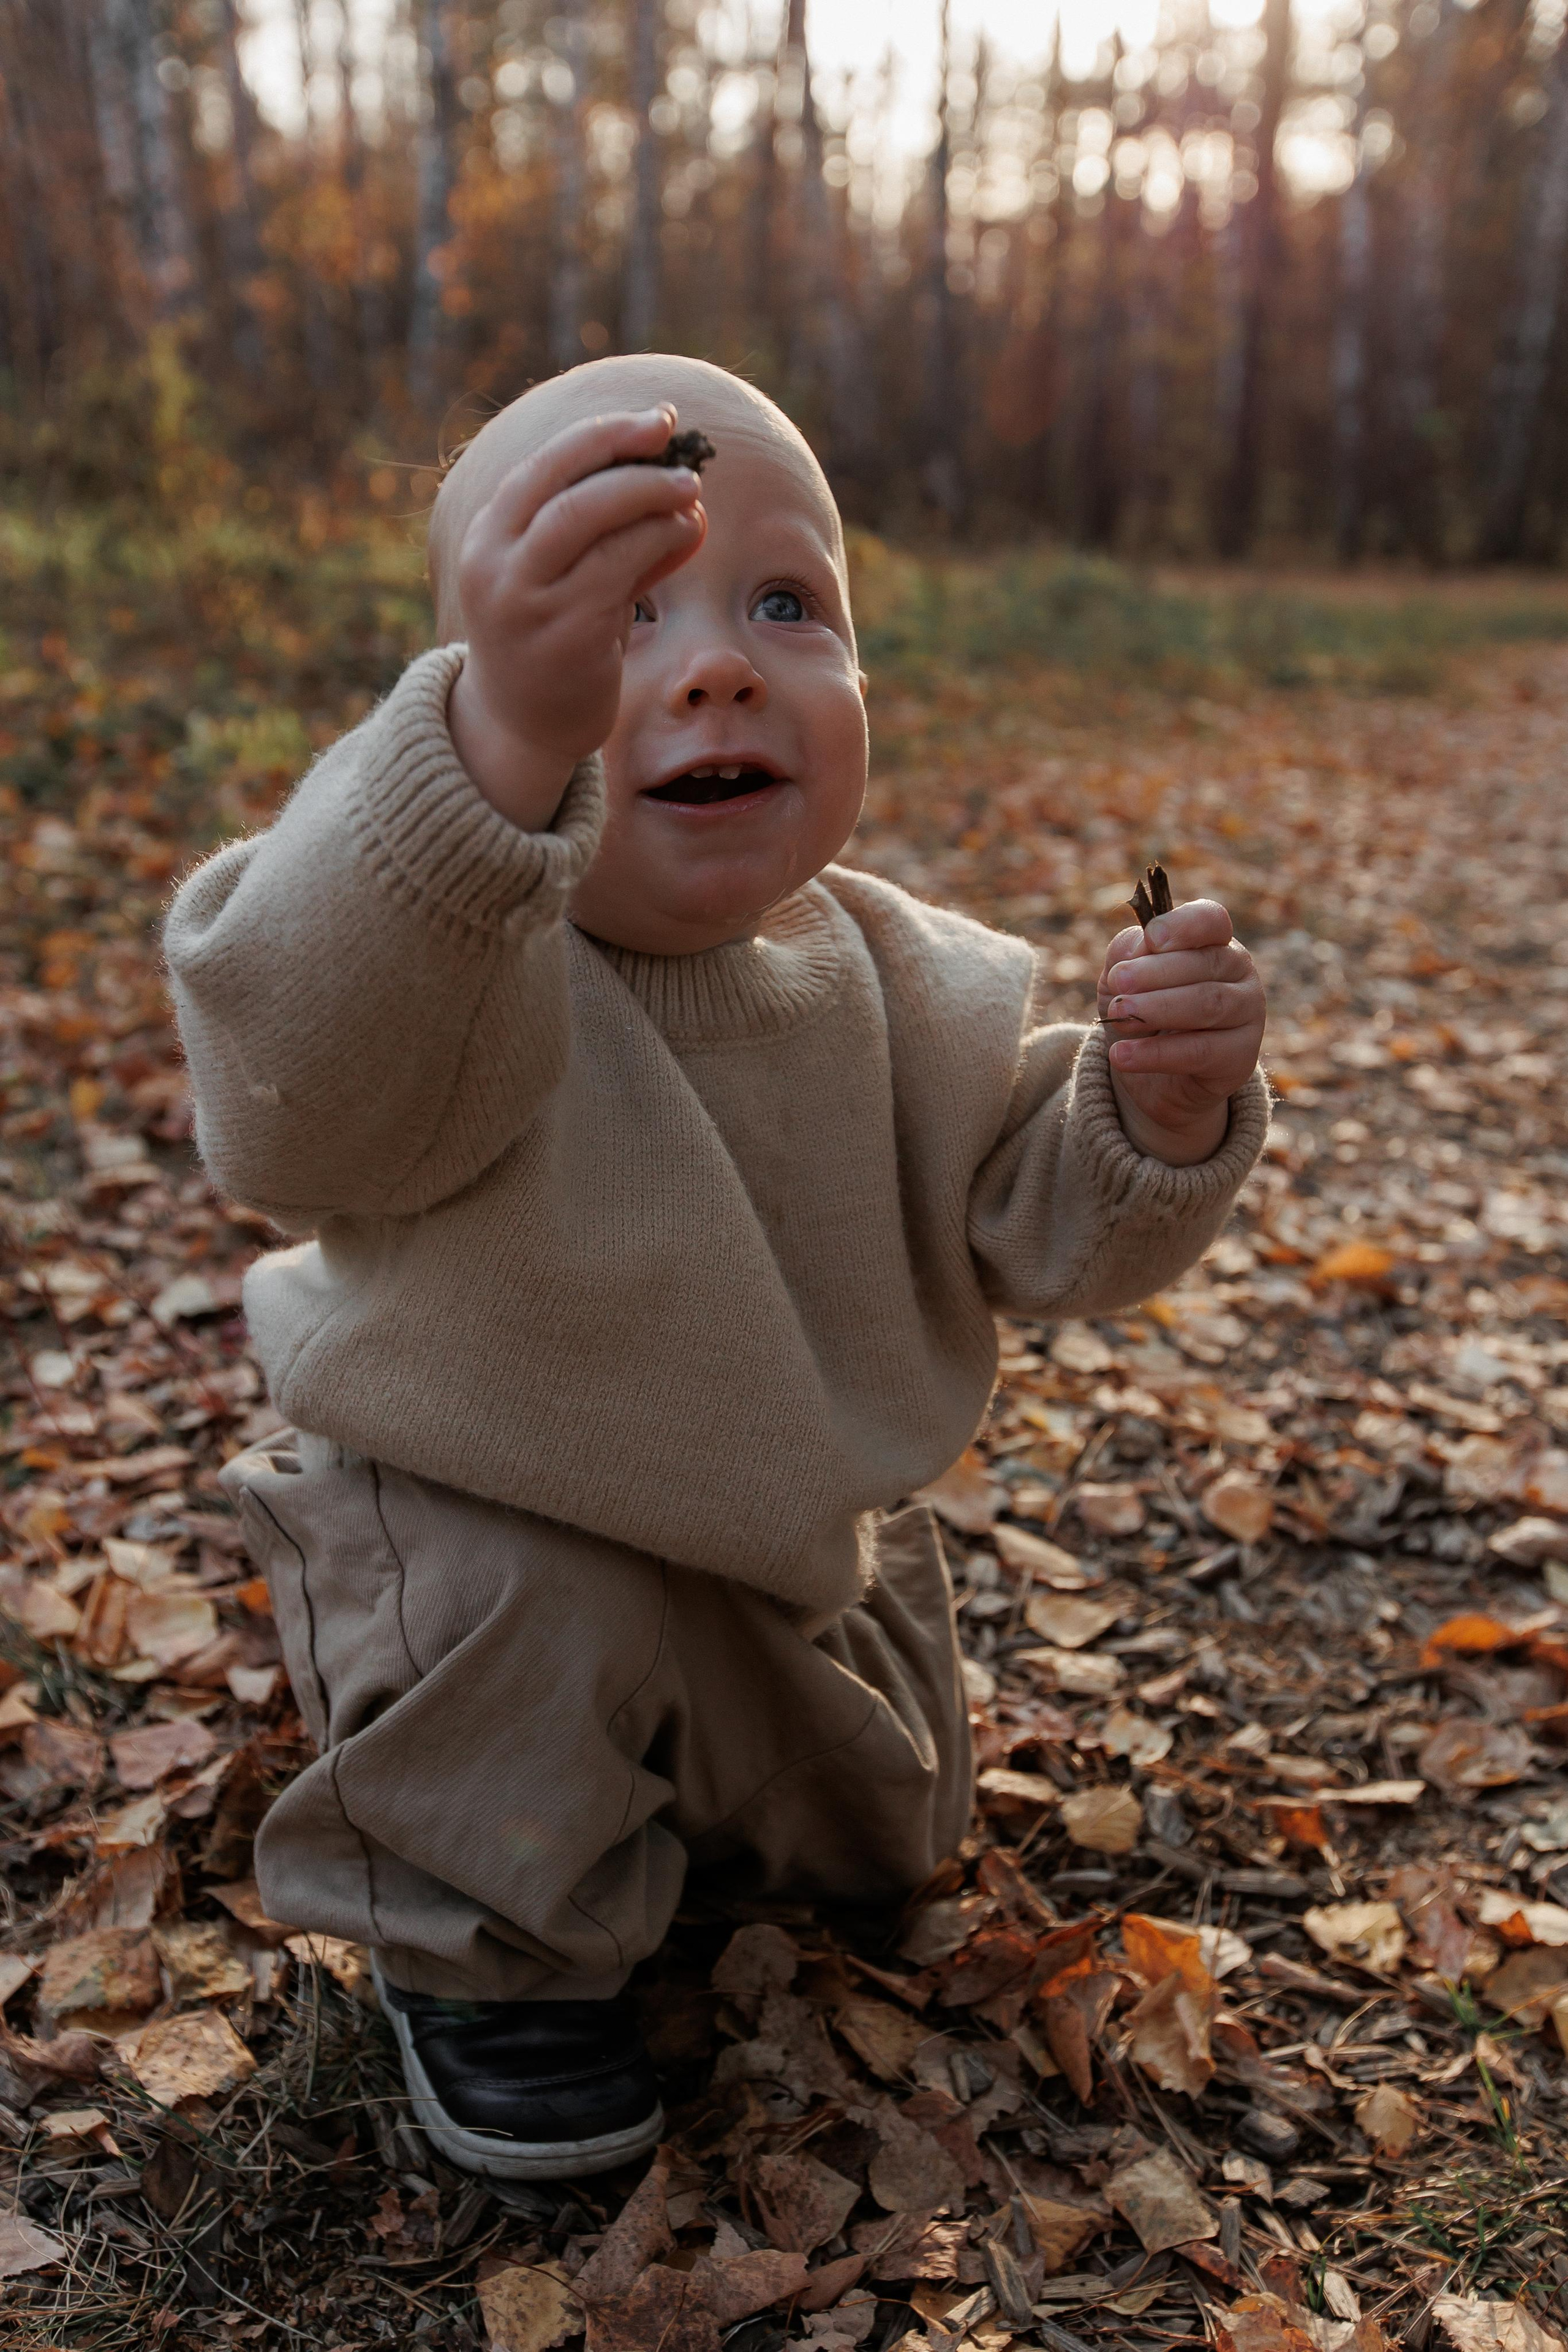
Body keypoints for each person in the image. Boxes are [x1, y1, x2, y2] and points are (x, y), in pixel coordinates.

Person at [164, 354, 1268, 2182]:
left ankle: (684, 1813)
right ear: (481, 691)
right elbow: (292, 1097)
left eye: (787, 605)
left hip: (775, 1551)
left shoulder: (900, 980)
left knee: (889, 1833)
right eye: (620, 618)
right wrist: (482, 772)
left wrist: (1156, 1112)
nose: (717, 665)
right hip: (489, 1525)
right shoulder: (447, 956)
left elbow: (1039, 1214)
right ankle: (485, 1959)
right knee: (526, 1636)